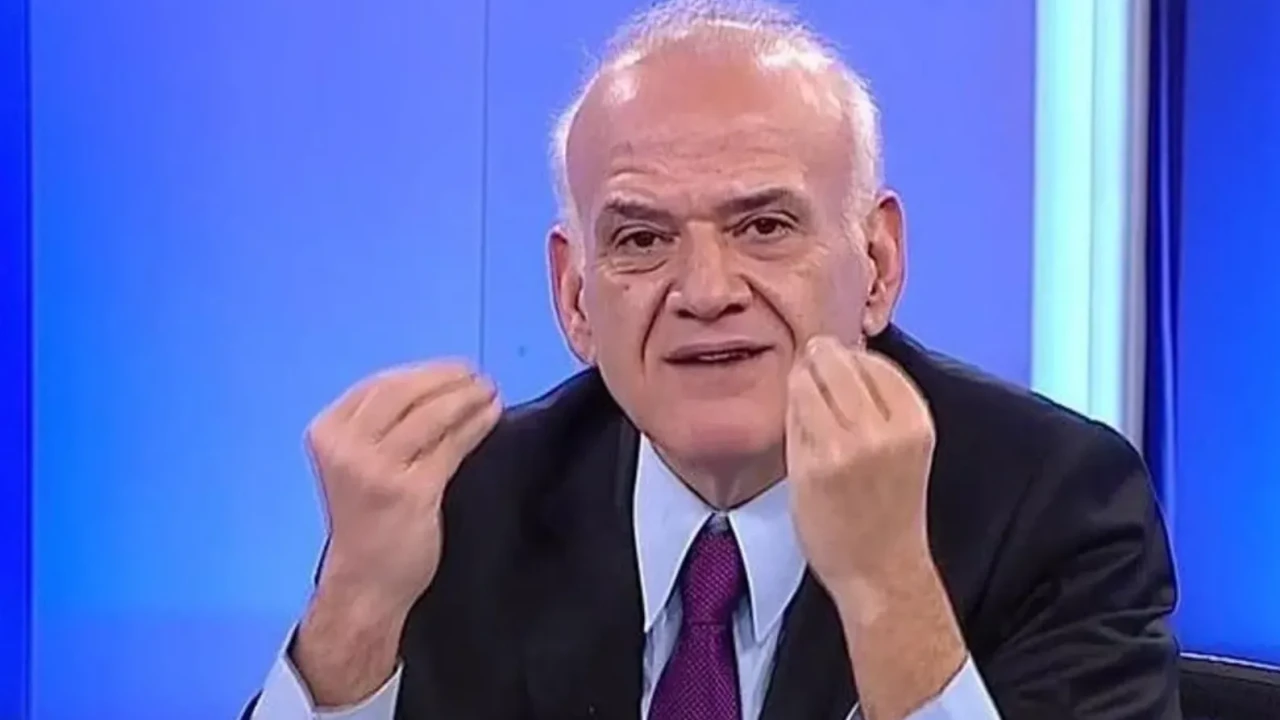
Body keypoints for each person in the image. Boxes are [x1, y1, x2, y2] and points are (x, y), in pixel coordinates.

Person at [244, 1, 1181, 718]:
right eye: (641, 240)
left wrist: (889, 586)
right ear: (574, 296)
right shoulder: (466, 508)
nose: (704, 290)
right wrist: (356, 605)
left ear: (878, 264)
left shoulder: (1052, 503)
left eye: (764, 226)